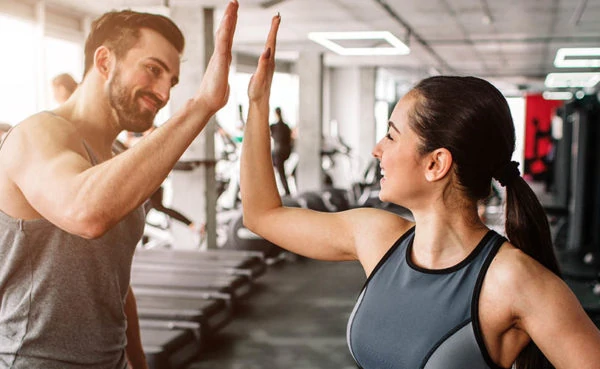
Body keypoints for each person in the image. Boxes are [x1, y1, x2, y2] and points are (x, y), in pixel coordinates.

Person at [241, 15, 600, 369]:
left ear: (436, 164)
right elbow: (262, 215)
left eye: (392, 135)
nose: (377, 149)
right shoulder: (377, 237)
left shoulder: (515, 281)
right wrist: (257, 103)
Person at [0, 2, 238, 368]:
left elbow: (114, 281)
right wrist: (201, 105)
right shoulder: (36, 135)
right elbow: (86, 214)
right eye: (153, 70)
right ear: (104, 61)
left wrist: (137, 361)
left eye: (171, 82)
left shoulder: (115, 158)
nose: (163, 93)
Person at [270, 106, 292, 195]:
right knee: (280, 171)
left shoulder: (274, 127)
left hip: (278, 153)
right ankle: (286, 190)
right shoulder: (286, 127)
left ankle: (286, 191)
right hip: (283, 151)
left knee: (279, 172)